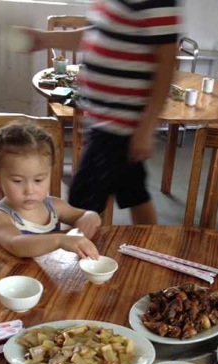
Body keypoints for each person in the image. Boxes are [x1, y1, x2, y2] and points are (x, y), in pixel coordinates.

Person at [13, 0, 182, 225]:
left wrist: (146, 128)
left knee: (81, 202)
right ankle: (149, 243)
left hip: (119, 126)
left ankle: (79, 247)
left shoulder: (157, 3)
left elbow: (167, 64)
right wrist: (44, 39)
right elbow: (95, 36)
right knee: (134, 193)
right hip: (104, 119)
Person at [0, 120, 101, 258]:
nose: (29, 190)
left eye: (38, 180)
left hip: (45, 271)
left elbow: (82, 215)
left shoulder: (54, 206)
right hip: (7, 272)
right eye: (17, 181)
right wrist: (60, 240)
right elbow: (16, 244)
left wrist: (90, 216)